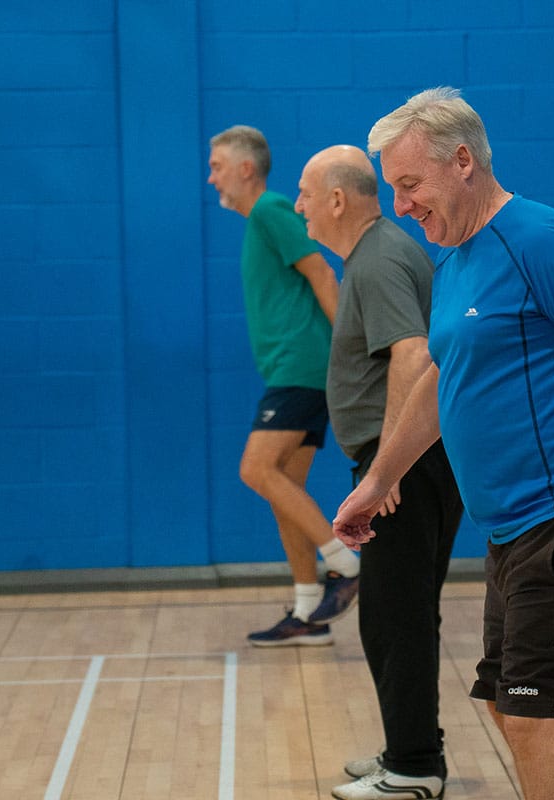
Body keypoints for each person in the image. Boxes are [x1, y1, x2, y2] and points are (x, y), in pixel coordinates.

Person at [332, 87, 554, 800]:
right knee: (508, 704)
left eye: (410, 185)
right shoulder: (456, 258)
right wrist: (377, 482)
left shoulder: (537, 239)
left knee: (535, 717)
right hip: (512, 529)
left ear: (462, 160)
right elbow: (440, 376)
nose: (401, 206)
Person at [293, 145, 463, 800]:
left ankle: (415, 768)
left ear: (337, 199)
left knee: (396, 616)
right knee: (394, 614)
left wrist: (385, 470)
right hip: (403, 464)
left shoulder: (381, 257)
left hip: (405, 468)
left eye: (306, 193)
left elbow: (414, 356)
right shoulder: (373, 254)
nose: (299, 205)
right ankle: (409, 752)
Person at [207, 125, 360, 646]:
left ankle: (344, 561)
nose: (212, 178)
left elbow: (322, 272)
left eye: (217, 166)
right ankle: (308, 612)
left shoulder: (272, 210)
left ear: (246, 169)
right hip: (293, 370)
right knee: (284, 491)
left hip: (304, 367)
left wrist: (348, 353)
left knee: (256, 468)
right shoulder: (261, 220)